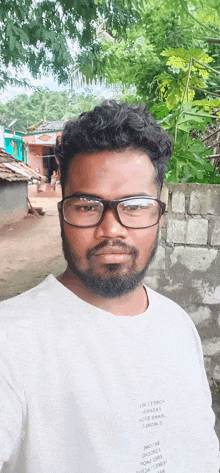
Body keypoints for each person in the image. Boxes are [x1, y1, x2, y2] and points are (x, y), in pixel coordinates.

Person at [0, 101, 219, 473]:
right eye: (87, 206)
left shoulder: (178, 325)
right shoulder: (11, 341)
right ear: (62, 215)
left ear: (159, 216)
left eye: (135, 205)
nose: (112, 229)